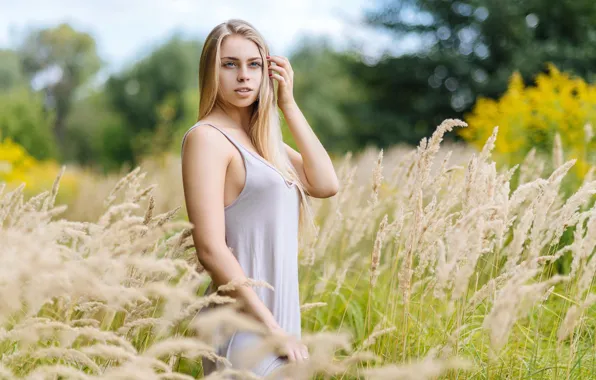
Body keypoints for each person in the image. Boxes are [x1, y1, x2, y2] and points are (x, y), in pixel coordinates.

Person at [180, 19, 340, 378]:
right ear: (211, 70)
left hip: (281, 326)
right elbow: (210, 249)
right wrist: (271, 329)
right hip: (246, 325)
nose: (243, 76)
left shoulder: (263, 142)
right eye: (230, 64)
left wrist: (289, 106)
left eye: (254, 65)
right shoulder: (206, 138)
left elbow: (327, 184)